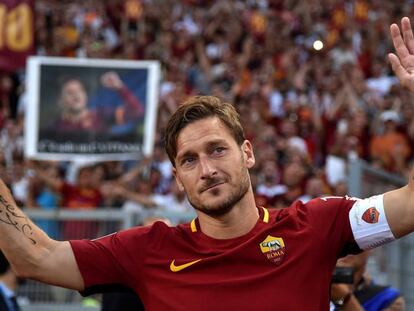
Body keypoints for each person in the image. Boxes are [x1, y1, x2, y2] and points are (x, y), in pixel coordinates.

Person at [0, 17, 413, 310]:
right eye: (189, 160)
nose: (207, 169)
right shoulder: (148, 249)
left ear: (247, 152)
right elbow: (36, 258)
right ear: (178, 178)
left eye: (218, 150)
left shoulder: (319, 225)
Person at [43, 71, 144, 142]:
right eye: (70, 92)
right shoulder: (54, 127)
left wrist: (119, 87)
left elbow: (137, 112)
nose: (76, 95)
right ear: (60, 100)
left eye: (80, 90)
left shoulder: (101, 115)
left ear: (86, 95)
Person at [330, 251, 405, 311]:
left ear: (371, 247)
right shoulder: (319, 289)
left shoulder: (387, 298)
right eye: (340, 240)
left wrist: (346, 300)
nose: (347, 248)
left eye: (355, 242)